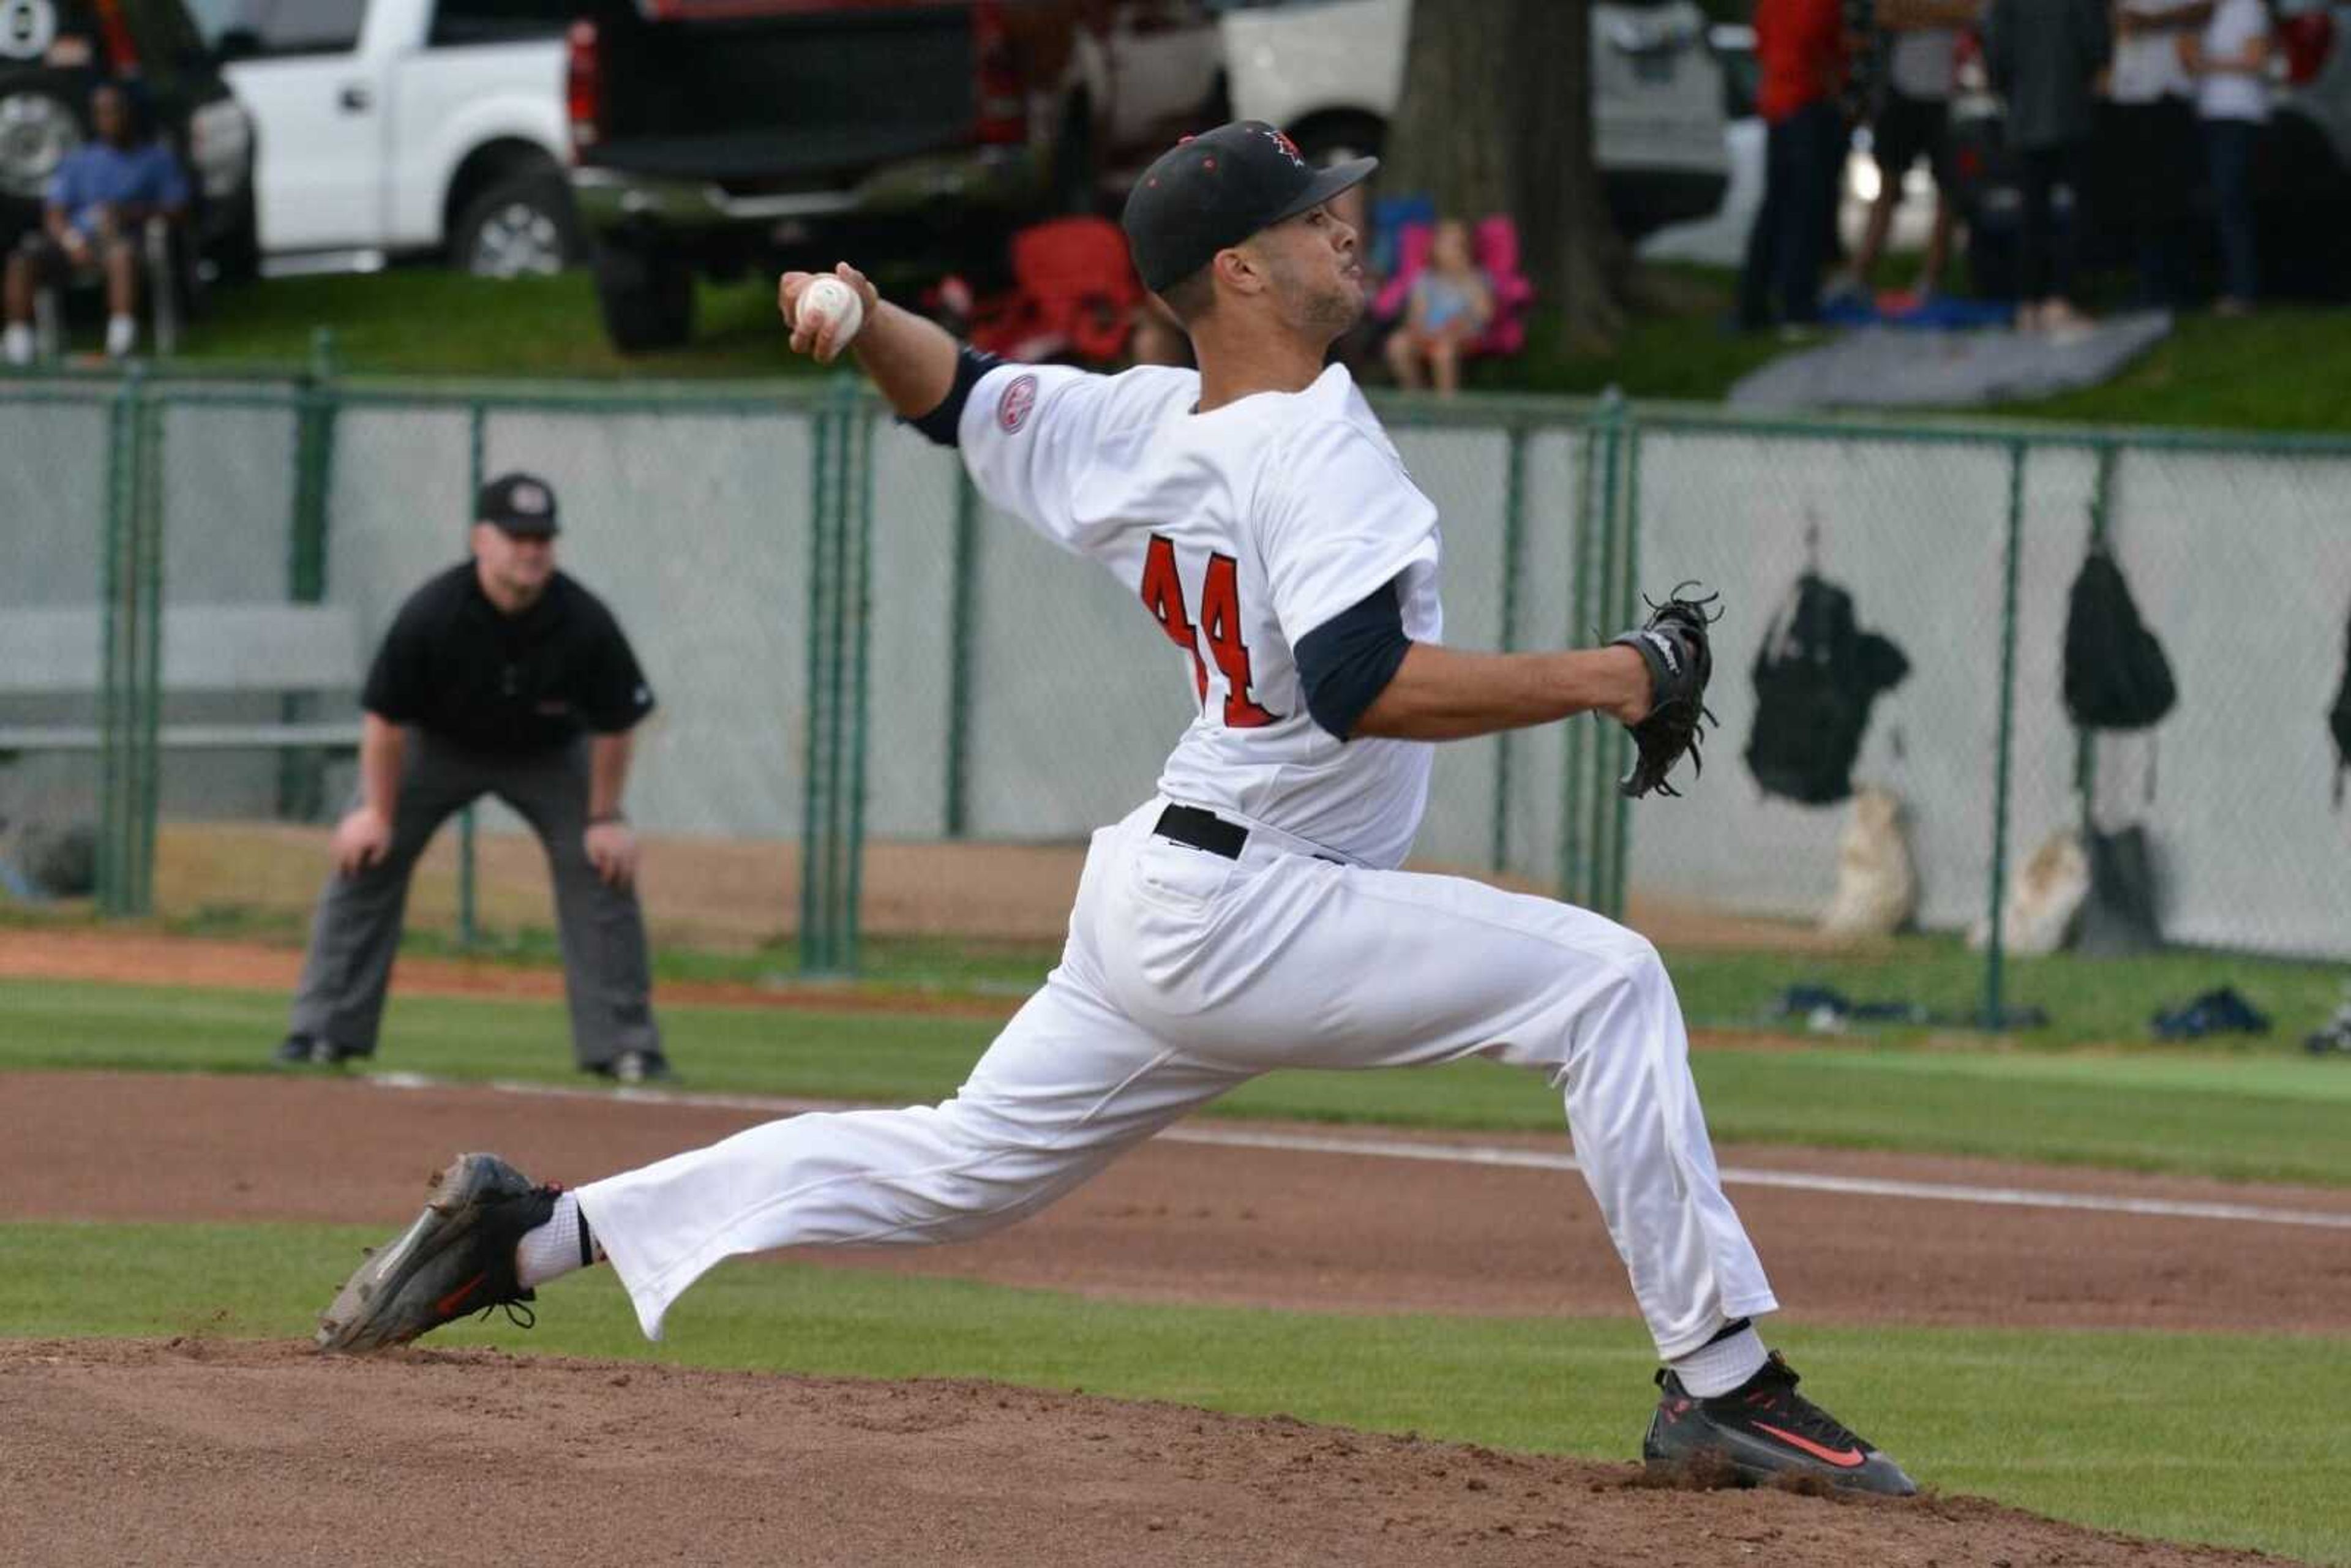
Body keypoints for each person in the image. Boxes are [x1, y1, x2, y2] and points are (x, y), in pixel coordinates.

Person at [313, 120, 1917, 1499]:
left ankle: (529, 1239)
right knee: (1607, 981)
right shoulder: (1315, 438)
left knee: (949, 1170)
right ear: (1234, 271)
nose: (1344, 226)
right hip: (1254, 906)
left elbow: (962, 393)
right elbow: (1361, 679)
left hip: (1172, 898)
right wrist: (1615, 676)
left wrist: (863, 310)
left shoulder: (1150, 425)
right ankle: (1721, 1384)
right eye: (1308, 214)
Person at [275, 472, 672, 1084]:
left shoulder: (583, 618)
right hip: (438, 747)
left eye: (542, 537)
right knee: (364, 855)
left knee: (603, 864)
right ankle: (323, 1030)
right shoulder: (434, 611)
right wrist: (376, 813)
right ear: (480, 540)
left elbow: (617, 724)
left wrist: (605, 816)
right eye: (516, 536)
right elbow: (385, 720)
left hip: (548, 755)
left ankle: (627, 1046)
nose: (531, 549)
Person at [2, 81, 189, 366]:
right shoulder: (78, 160)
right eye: (101, 113)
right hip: (74, 241)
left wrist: (127, 214)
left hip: (123, 241)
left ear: (129, 114)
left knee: (120, 255)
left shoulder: (157, 159)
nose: (108, 119)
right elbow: (54, 213)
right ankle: (19, 347)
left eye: (114, 111)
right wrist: (72, 241)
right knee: (21, 261)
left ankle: (120, 342)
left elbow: (178, 210)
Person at [1831, 0, 1980, 304]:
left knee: (1949, 192)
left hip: (1946, 96)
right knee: (1887, 187)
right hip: (1902, 92)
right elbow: (1885, 14)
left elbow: (1972, 13)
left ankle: (1931, 278)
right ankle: (1860, 272)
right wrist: (1941, 17)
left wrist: (1915, 14)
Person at [1983, 0, 2112, 333]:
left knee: (2032, 213)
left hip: (2025, 114)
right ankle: (2060, 296)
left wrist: (2010, 91)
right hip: (2070, 111)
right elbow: (2095, 43)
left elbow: (1996, 50)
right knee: (2074, 209)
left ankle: (2030, 301)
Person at [1741, 0, 1850, 332]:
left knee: (1775, 209)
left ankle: (1753, 303)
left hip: (1777, 103)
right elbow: (1821, 46)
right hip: (1805, 103)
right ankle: (1797, 306)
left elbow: (1761, 42)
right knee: (1804, 211)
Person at [2106, 1, 2214, 310]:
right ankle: (2148, 282)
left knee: (2170, 193)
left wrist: (2153, 22)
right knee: (2140, 195)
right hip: (2130, 91)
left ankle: (2178, 284)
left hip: (2168, 92)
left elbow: (2203, 10)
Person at [2181, 0, 2272, 315]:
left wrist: (2206, 63)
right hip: (2209, 113)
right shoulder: (2202, 13)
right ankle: (2231, 283)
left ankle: (2244, 289)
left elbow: (2256, 59)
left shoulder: (2248, 8)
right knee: (2223, 203)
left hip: (2239, 113)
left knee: (2232, 201)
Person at [1381, 217, 1493, 395]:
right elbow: (1416, 315)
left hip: (1462, 334)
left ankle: (1446, 402)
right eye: (1445, 244)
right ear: (1434, 249)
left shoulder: (1476, 278)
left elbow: (1485, 314)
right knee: (1397, 344)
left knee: (1443, 351)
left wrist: (1466, 279)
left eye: (1458, 245)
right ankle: (1415, 394)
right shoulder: (1426, 279)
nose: (1452, 251)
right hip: (1427, 332)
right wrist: (1421, 330)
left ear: (1469, 250)